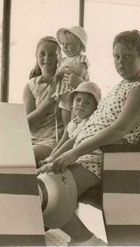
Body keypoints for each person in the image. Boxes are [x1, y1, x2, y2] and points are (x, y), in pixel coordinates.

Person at [37, 30, 140, 246]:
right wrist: (57, 155)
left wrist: (74, 152)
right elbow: (86, 128)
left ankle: (86, 241)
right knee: (34, 184)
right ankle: (84, 240)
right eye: (117, 56)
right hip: (86, 152)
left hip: (106, 158)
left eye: (129, 56)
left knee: (44, 192)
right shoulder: (120, 86)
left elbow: (119, 130)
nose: (121, 62)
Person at [37, 81, 101, 172]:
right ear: (72, 102)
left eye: (87, 103)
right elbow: (61, 142)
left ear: (95, 108)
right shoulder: (72, 123)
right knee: (43, 169)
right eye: (78, 100)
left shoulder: (89, 123)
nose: (81, 104)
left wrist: (53, 158)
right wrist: (49, 158)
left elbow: (71, 142)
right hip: (66, 155)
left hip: (78, 156)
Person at [23, 36, 65, 164]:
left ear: (60, 57)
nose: (47, 58)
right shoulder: (30, 86)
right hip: (30, 139)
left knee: (25, 157)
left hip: (53, 140)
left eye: (52, 54)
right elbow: (28, 125)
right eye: (42, 54)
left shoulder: (65, 83)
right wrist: (48, 102)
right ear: (36, 56)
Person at [54, 26, 90, 125]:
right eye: (63, 44)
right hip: (64, 96)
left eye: (69, 44)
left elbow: (80, 71)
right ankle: (66, 137)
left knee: (75, 122)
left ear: (80, 45)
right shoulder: (62, 61)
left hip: (76, 96)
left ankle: (74, 137)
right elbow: (57, 77)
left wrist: (66, 69)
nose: (64, 47)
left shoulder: (81, 58)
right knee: (66, 122)